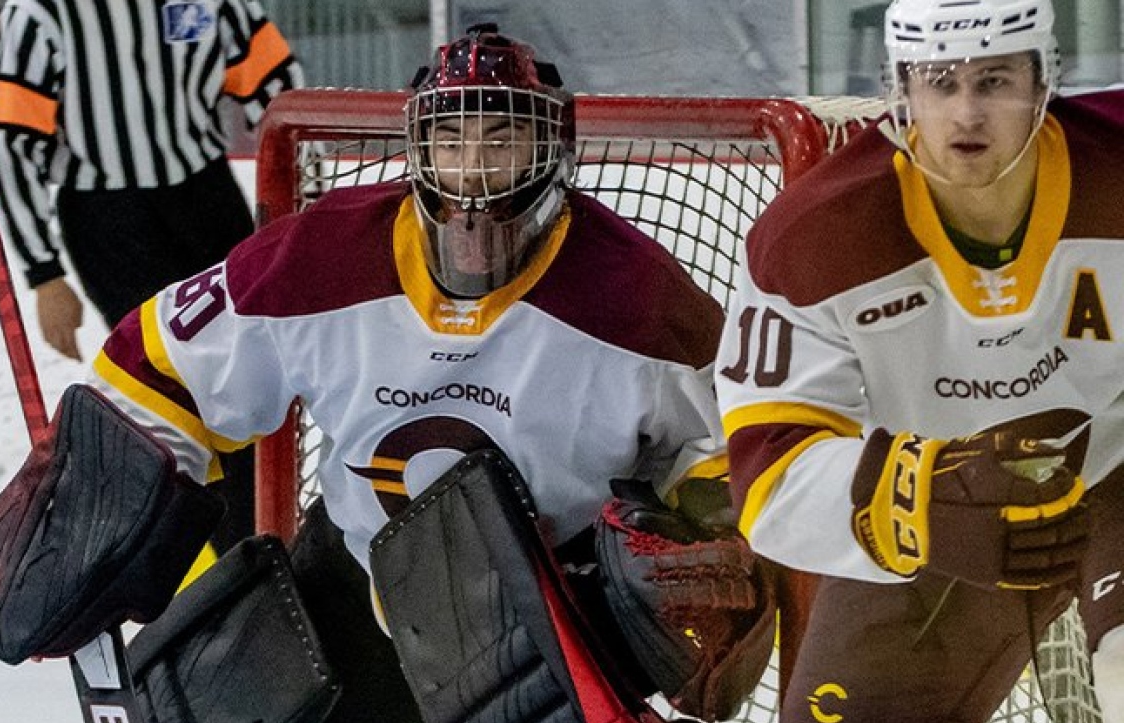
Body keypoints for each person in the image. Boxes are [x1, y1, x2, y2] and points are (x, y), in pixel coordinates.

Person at [65, 23, 771, 723]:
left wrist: (695, 547)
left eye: (502, 139)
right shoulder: (320, 256)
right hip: (351, 590)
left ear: (552, 150)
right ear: (419, 147)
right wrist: (96, 525)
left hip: (550, 621)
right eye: (451, 140)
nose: (472, 167)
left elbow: (735, 444)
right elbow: (155, 363)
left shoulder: (641, 301)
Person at [712, 0, 1124, 721]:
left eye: (994, 81)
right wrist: (923, 508)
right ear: (900, 89)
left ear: (1042, 82)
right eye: (940, 82)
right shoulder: (810, 240)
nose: (966, 113)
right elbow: (770, 478)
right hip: (937, 511)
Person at [0, 0, 304, 553]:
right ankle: (224, 563)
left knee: (255, 379)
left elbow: (281, 95)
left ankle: (259, 558)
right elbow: (9, 142)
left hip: (206, 197)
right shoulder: (41, 11)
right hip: (108, 215)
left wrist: (304, 220)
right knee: (176, 389)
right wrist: (44, 272)